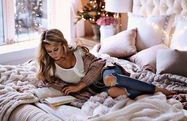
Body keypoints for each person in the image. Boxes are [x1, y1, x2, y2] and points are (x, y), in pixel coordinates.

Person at [37, 29, 173, 99]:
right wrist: (68, 88)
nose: (53, 54)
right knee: (114, 91)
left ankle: (155, 89)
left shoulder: (78, 52)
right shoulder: (51, 68)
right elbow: (49, 82)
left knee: (109, 80)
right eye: (49, 52)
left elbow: (98, 63)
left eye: (56, 49)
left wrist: (80, 85)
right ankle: (141, 90)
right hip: (94, 87)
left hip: (105, 71)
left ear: (63, 44)